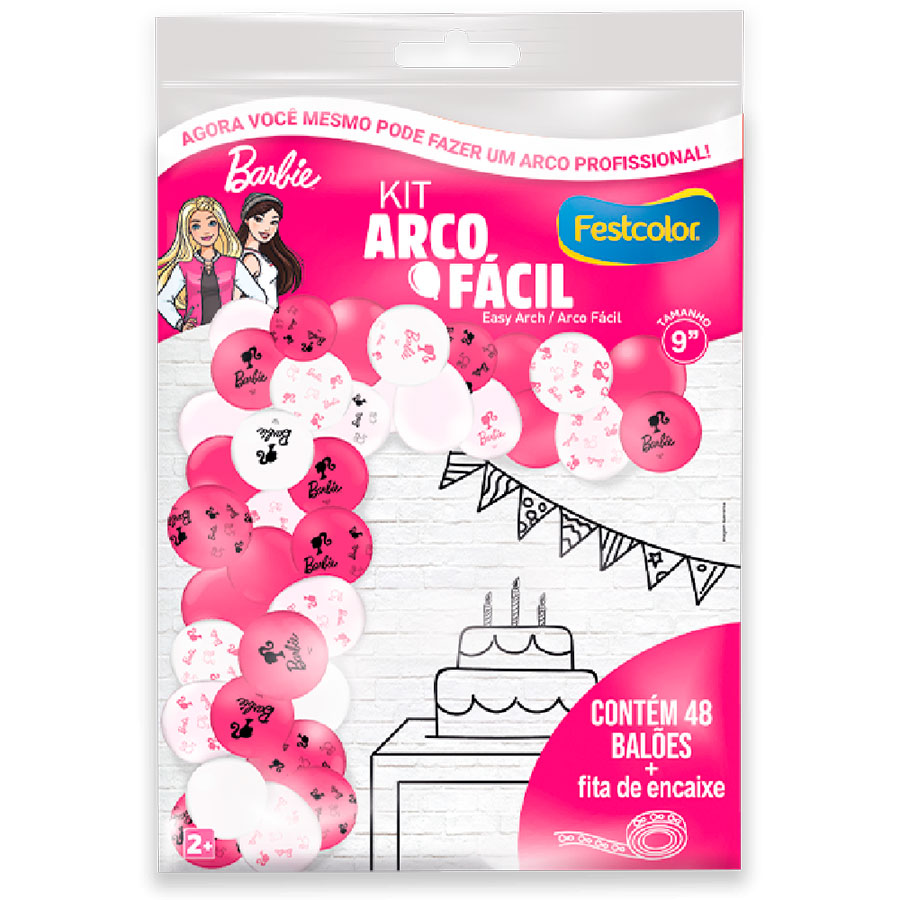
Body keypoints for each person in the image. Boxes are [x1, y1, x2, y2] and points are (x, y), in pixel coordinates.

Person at [157, 196, 270, 331]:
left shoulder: (233, 264)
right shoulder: (183, 267)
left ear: (220, 226)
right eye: (196, 226)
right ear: (189, 231)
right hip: (194, 333)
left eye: (211, 223)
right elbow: (162, 300)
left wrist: (240, 320)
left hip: (226, 332)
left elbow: (259, 297)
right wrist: (180, 324)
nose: (206, 231)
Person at [236, 193, 304, 307]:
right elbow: (234, 299)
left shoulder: (260, 256)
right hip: (259, 316)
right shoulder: (250, 259)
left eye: (273, 222)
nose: (267, 228)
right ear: (246, 220)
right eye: (259, 219)